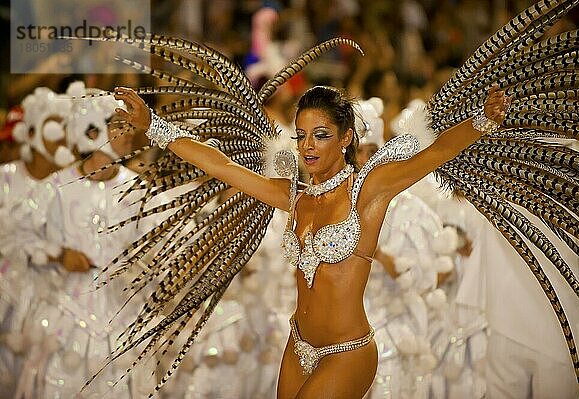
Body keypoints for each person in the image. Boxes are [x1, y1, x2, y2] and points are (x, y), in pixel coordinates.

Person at [113, 80, 507, 398]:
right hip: (298, 345)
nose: (307, 147)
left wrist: (482, 121)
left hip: (347, 352)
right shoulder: (294, 197)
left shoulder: (368, 191)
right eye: (301, 136)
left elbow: (433, 152)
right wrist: (155, 127)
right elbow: (222, 165)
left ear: (346, 137)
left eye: (320, 135)